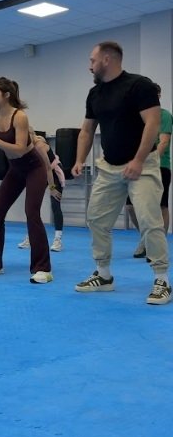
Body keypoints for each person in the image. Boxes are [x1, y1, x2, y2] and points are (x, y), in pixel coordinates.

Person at [71, 41, 170, 305]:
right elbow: (87, 130)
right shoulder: (95, 94)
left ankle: (162, 280)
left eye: (92, 60)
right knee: (96, 219)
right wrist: (79, 160)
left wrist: (138, 160)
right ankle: (104, 276)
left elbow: (153, 123)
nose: (89, 65)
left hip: (142, 166)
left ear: (107, 59)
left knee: (149, 221)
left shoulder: (139, 85)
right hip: (109, 167)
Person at [0, 78, 55, 284]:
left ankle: (43, 268)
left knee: (31, 213)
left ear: (6, 95)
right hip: (16, 169)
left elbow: (19, 149)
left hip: (34, 167)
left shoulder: (20, 117)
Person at [127, 83, 171, 259]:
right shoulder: (137, 116)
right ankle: (146, 239)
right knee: (130, 206)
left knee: (161, 206)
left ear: (159, 96)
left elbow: (163, 141)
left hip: (160, 166)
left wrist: (148, 160)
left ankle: (159, 246)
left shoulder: (164, 115)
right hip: (137, 166)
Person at [19, 135, 66, 251]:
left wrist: (52, 188)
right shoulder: (27, 147)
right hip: (42, 172)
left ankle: (58, 240)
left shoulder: (39, 146)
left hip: (53, 172)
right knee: (32, 206)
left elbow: (48, 169)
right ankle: (31, 237)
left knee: (55, 204)